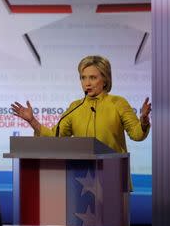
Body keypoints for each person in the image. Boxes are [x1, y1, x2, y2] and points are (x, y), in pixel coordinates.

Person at [11, 55, 151, 156]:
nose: (87, 83)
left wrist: (143, 121)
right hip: (80, 177)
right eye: (83, 77)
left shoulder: (118, 103)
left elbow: (137, 134)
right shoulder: (75, 107)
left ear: (105, 80)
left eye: (93, 77)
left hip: (114, 176)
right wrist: (32, 121)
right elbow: (55, 137)